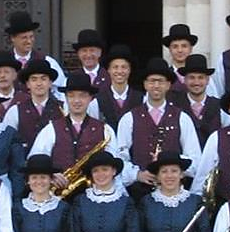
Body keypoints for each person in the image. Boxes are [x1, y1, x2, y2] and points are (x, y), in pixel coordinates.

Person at [112, 59, 202, 192]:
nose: (156, 85)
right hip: (140, 192)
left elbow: (195, 158)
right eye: (152, 81)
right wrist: (137, 175)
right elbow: (119, 157)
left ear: (168, 85)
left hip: (174, 191)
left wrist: (174, 170)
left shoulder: (182, 118)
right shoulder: (129, 118)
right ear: (145, 84)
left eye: (161, 81)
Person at [28, 72, 111, 180]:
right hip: (59, 192)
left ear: (90, 98)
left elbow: (114, 163)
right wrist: (52, 175)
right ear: (66, 97)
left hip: (94, 191)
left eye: (82, 95)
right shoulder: (51, 129)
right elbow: (35, 161)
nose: (77, 101)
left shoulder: (105, 130)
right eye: (71, 96)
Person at [5, 59, 64, 150]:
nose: (39, 83)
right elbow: (8, 142)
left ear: (50, 83)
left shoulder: (63, 109)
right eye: (34, 79)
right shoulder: (15, 111)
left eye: (43, 79)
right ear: (28, 84)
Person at [3, 9, 66, 82]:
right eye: (24, 38)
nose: (29, 41)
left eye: (31, 37)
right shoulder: (3, 63)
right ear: (12, 38)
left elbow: (60, 89)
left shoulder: (48, 62)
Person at [178, 55, 221, 144]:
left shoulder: (219, 106)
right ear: (185, 80)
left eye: (200, 77)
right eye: (192, 77)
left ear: (208, 80)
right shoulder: (176, 106)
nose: (196, 82)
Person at [94, 44, 136, 123]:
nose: (119, 71)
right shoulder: (96, 102)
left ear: (130, 70)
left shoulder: (142, 99)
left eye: (124, 67)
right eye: (115, 67)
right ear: (108, 70)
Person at [161, 23, 200, 91]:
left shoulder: (201, 76)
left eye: (184, 46)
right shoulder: (163, 77)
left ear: (191, 48)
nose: (180, 50)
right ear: (170, 49)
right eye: (175, 46)